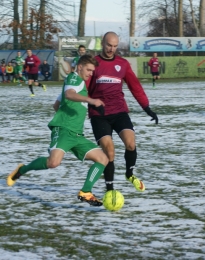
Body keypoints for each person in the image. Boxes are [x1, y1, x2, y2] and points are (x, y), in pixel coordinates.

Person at [7, 54, 108, 206]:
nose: (90, 73)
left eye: (92, 71)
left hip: (76, 133)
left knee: (103, 159)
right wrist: (90, 101)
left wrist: (76, 113)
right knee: (53, 163)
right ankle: (22, 170)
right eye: (88, 70)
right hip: (64, 131)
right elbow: (69, 94)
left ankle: (86, 192)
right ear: (79, 67)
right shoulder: (74, 78)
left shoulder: (76, 83)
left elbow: (57, 104)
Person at [87, 31, 158, 193]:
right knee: (110, 152)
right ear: (102, 44)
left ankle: (129, 173)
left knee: (131, 144)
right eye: (108, 45)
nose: (111, 49)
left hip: (119, 111)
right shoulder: (94, 63)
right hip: (99, 115)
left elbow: (135, 87)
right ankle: (110, 190)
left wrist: (147, 108)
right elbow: (83, 89)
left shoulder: (123, 64)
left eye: (115, 46)